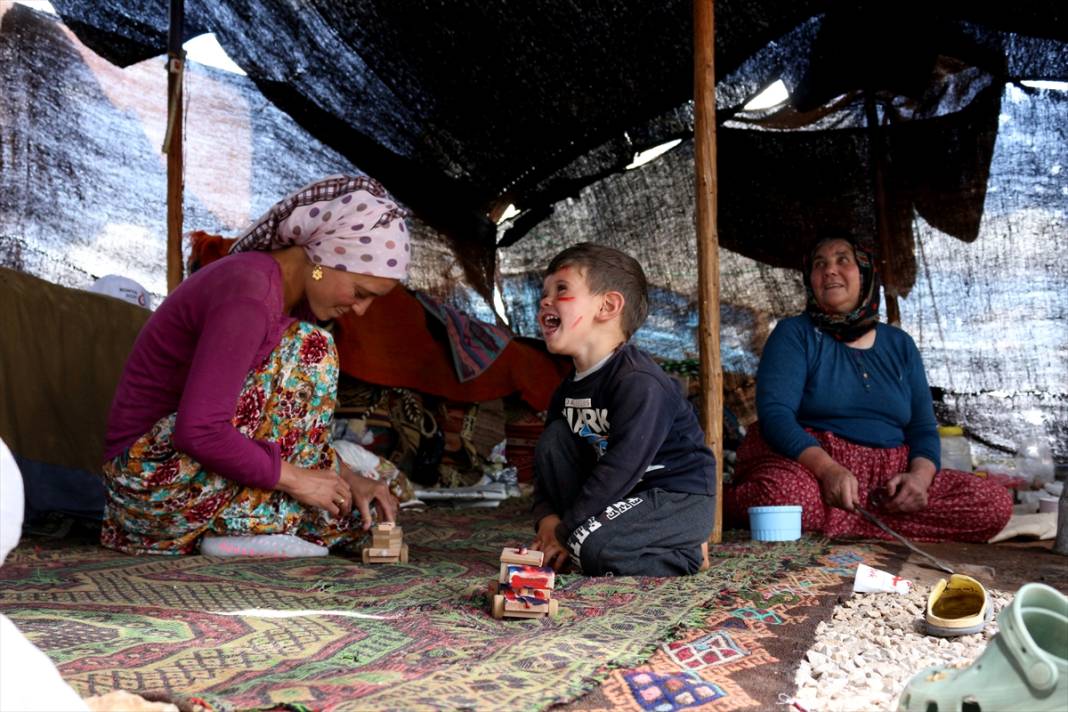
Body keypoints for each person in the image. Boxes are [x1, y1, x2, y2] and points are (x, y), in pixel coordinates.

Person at [101, 174, 410, 556]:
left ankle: (246, 524)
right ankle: (247, 529)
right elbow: (198, 432)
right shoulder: (250, 295)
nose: (360, 310)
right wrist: (297, 480)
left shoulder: (282, 298)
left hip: (188, 484)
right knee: (313, 348)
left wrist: (346, 478)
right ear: (323, 261)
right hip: (148, 484)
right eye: (360, 293)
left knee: (349, 518)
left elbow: (282, 429)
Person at [724, 234, 1012, 541]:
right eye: (819, 264)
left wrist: (919, 480)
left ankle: (851, 521)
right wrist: (828, 470)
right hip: (813, 467)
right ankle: (731, 504)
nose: (830, 270)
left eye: (842, 260)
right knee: (787, 500)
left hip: (887, 480)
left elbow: (923, 427)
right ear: (811, 280)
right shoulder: (795, 334)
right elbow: (776, 416)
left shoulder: (900, 345)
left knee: (993, 503)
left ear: (865, 275)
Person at [529, 243, 716, 576]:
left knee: (591, 549)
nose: (545, 300)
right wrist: (548, 519)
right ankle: (583, 537)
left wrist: (565, 533)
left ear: (608, 305)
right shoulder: (567, 390)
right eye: (544, 293)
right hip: (620, 500)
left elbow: (619, 468)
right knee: (554, 438)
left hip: (673, 499)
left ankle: (685, 552)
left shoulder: (639, 381)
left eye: (561, 289)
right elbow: (547, 463)